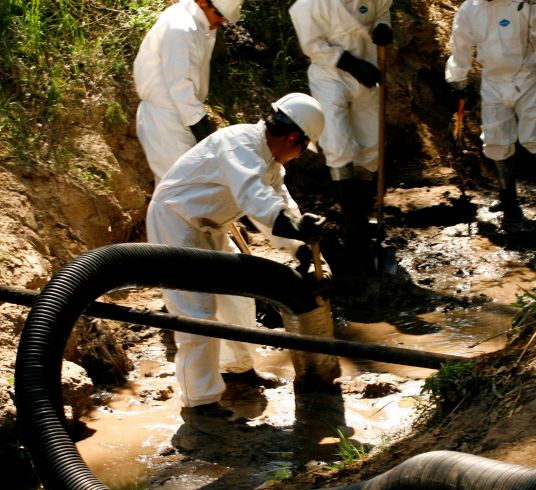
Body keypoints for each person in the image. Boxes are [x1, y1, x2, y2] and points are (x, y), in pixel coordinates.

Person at [146, 92, 327, 417]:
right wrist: (298, 228)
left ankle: (238, 369)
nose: (300, 155)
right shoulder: (241, 144)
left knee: (239, 299)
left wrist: (302, 249)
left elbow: (280, 204)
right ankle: (200, 402)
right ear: (293, 137)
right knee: (195, 313)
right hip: (177, 221)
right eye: (303, 148)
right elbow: (255, 200)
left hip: (210, 226)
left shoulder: (269, 161)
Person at [288, 0, 393, 271]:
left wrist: (383, 26)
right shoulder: (309, 5)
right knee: (337, 144)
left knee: (371, 148)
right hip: (329, 76)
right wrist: (347, 62)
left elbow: (382, 12)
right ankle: (353, 224)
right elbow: (312, 44)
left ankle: (365, 214)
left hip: (368, 73)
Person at [445, 0, 536, 219]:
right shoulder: (470, 8)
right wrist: (457, 79)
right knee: (495, 137)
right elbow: (460, 45)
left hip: (530, 77)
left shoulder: (527, 2)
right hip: (492, 80)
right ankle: (507, 196)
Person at [133, 0, 244, 186]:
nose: (222, 20)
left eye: (225, 17)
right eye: (219, 14)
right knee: (181, 190)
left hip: (179, 115)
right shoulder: (180, 27)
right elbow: (179, 85)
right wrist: (202, 129)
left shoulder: (201, 23)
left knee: (181, 191)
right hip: (165, 118)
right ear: (201, 2)